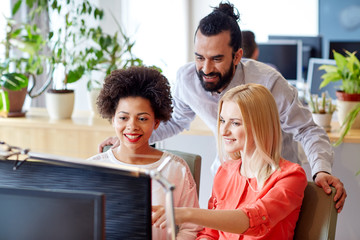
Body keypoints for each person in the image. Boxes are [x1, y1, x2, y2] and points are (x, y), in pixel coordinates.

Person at [99, 2, 346, 212]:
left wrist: (320, 170)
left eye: (216, 59)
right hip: (228, 180)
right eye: (199, 57)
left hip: (274, 181)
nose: (205, 69)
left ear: (238, 56)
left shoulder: (268, 82)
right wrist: (130, 135)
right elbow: (174, 122)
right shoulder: (187, 80)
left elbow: (307, 130)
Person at [152, 83, 308, 239]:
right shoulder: (224, 171)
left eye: (235, 123)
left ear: (260, 126)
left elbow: (252, 220)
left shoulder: (291, 177)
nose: (223, 131)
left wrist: (187, 213)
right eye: (222, 120)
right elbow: (209, 233)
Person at [87, 66, 201, 239]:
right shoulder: (92, 168)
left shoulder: (176, 169)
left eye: (142, 119)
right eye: (123, 118)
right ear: (112, 119)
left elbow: (192, 228)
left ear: (156, 122)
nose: (132, 126)